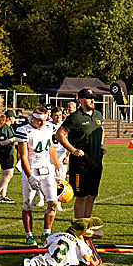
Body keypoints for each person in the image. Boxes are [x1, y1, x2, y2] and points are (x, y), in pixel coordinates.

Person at [15, 105, 63, 245]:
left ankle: (46, 233)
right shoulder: (24, 130)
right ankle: (29, 235)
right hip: (32, 170)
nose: (42, 123)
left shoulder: (48, 128)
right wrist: (29, 176)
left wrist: (57, 167)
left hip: (46, 169)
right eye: (39, 120)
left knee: (53, 202)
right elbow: (23, 156)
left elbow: (51, 149)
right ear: (33, 118)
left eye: (44, 120)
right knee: (28, 205)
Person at [54, 88, 104, 220]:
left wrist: (101, 145)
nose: (92, 100)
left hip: (96, 161)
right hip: (80, 164)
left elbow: (100, 130)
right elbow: (59, 134)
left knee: (92, 195)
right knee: (81, 196)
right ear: (80, 100)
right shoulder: (75, 117)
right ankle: (78, 227)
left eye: (93, 98)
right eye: (89, 98)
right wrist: (73, 150)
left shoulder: (98, 115)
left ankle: (86, 224)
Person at [0, 110, 17, 203]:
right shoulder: (4, 128)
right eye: (13, 117)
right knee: (9, 174)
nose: (15, 119)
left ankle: (3, 195)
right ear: (10, 118)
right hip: (4, 152)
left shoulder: (9, 127)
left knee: (5, 175)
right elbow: (2, 142)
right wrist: (13, 139)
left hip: (7, 152)